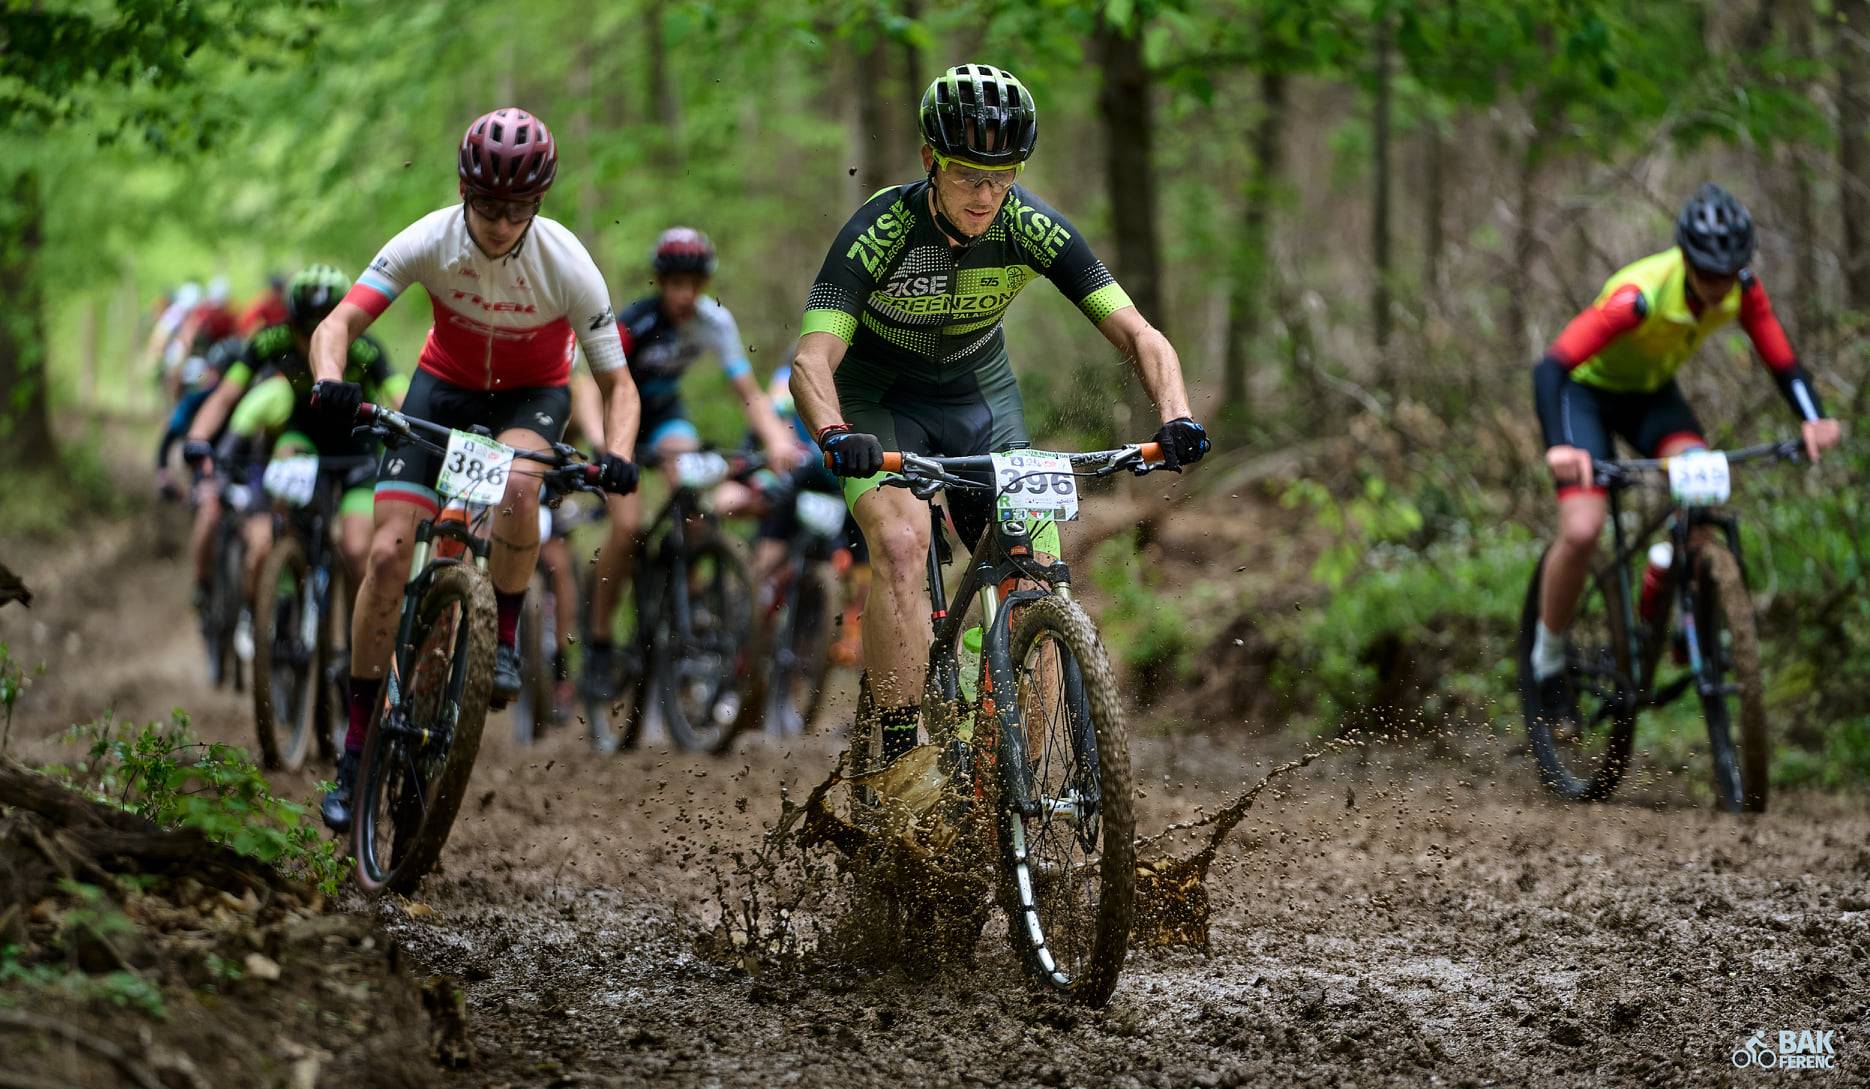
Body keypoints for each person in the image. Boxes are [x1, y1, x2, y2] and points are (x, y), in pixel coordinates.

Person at [787, 63, 1210, 761]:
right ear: (930, 161)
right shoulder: (880, 229)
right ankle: (901, 756)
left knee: (1037, 565)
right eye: (966, 175)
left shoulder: (1030, 225)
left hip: (979, 394)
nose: (986, 195)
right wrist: (836, 432)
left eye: (1003, 175)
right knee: (898, 540)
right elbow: (810, 361)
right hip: (879, 398)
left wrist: (1177, 415)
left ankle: (1014, 784)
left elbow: (1139, 332)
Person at [305, 107, 641, 832]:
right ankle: (357, 749)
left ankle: (505, 635)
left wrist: (618, 453)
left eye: (517, 207)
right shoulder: (430, 239)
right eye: (488, 205)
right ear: (464, 192)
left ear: (538, 203)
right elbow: (337, 325)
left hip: (532, 394)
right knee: (389, 553)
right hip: (442, 388)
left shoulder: (567, 262)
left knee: (520, 485)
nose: (499, 221)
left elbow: (618, 384)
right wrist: (330, 379)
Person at [1527, 183, 1843, 723]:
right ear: (1688, 260)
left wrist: (1813, 419)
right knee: (1582, 529)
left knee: (1701, 495)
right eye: (1709, 276)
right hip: (1586, 396)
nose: (1721, 289)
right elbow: (1550, 367)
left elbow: (1782, 361)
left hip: (1652, 397)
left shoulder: (1744, 288)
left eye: (1730, 274)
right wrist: (1560, 446)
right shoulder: (1640, 297)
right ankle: (1547, 660)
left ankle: (1670, 611)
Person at [579, 228, 801, 701]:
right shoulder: (634, 322)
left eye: (692, 283)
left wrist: (777, 439)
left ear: (703, 284)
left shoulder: (714, 322)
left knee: (692, 486)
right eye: (673, 283)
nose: (683, 294)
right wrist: (602, 443)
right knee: (628, 527)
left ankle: (692, 589)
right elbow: (586, 381)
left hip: (663, 416)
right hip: (617, 413)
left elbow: (749, 395)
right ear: (659, 282)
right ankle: (599, 642)